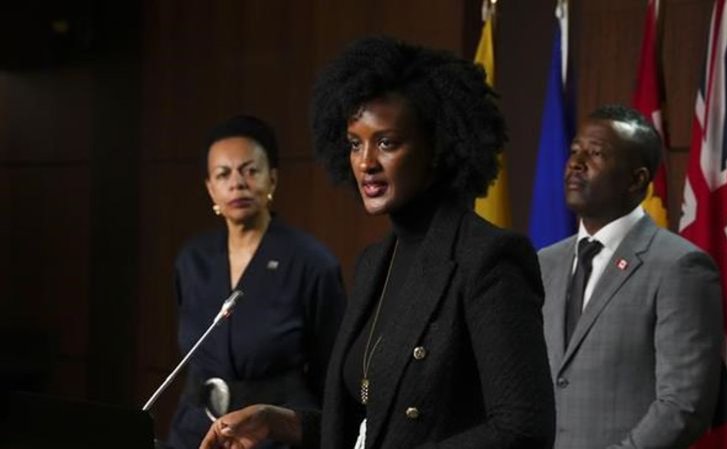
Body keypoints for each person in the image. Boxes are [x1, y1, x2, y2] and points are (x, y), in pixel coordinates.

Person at [200, 36, 555, 449]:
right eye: (355, 144)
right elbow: (371, 426)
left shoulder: (489, 258)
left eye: (386, 142)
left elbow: (523, 429)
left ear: (437, 147)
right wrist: (278, 422)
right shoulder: (374, 262)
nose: (365, 162)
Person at [538, 104, 723, 449]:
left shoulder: (680, 267)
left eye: (595, 153)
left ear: (636, 179)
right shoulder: (544, 264)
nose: (576, 163)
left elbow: (683, 406)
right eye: (575, 150)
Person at [167, 115, 347, 449]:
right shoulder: (192, 259)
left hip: (273, 434)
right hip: (195, 431)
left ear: (272, 178)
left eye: (250, 170)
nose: (237, 183)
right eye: (223, 174)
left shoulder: (311, 261)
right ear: (210, 188)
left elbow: (332, 372)